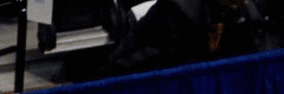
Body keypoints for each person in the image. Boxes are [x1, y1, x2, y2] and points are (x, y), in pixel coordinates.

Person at [105, 0, 269, 76]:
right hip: (138, 69)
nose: (244, 3)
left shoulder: (241, 7)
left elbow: (254, 49)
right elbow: (173, 59)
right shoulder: (180, 10)